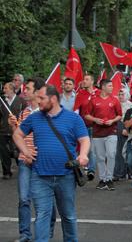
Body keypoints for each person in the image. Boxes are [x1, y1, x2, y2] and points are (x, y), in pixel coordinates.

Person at [12, 84, 90, 242]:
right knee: (42, 215)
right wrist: (26, 151)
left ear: (53, 99)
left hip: (66, 176)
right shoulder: (34, 117)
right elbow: (17, 134)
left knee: (68, 215)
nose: (38, 101)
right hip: (39, 176)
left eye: (42, 98)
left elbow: (84, 139)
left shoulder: (73, 118)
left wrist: (83, 155)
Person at [8, 77, 56, 242]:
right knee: (23, 198)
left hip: (42, 162)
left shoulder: (48, 113)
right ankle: (25, 234)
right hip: (24, 161)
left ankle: (48, 231)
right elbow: (19, 136)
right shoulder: (23, 112)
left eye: (27, 88)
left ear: (37, 92)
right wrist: (14, 125)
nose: (24, 91)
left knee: (46, 199)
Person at [84, 79, 122, 191]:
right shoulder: (94, 100)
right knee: (100, 157)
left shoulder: (114, 100)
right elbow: (86, 115)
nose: (112, 88)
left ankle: (109, 178)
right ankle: (102, 179)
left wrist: (112, 121)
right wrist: (95, 120)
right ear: (103, 87)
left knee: (111, 154)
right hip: (97, 133)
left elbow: (119, 115)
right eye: (110, 86)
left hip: (111, 131)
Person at [73, 74, 98, 180]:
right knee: (82, 148)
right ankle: (80, 168)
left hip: (96, 126)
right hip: (83, 126)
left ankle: (91, 170)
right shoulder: (80, 94)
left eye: (87, 79)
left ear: (92, 81)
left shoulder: (99, 93)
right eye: (84, 79)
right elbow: (76, 110)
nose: (84, 81)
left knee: (92, 149)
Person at [0, 82, 27, 179]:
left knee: (17, 151)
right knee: (4, 153)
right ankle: (7, 172)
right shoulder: (2, 101)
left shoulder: (21, 101)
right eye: (4, 88)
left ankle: (23, 169)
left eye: (6, 88)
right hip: (3, 130)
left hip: (17, 131)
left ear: (12, 89)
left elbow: (25, 115)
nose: (4, 90)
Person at [113, 89, 132, 180]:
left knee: (129, 151)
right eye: (119, 94)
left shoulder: (130, 105)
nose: (120, 96)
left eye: (122, 94)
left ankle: (130, 172)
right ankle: (118, 173)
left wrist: (127, 129)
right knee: (118, 152)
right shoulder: (115, 104)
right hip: (117, 128)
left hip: (128, 129)